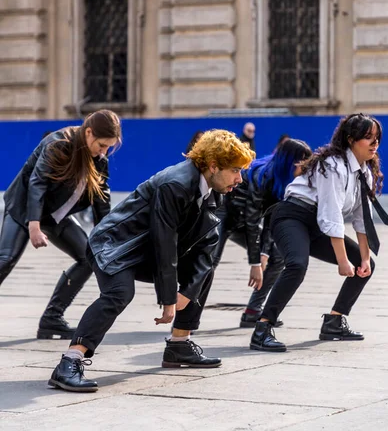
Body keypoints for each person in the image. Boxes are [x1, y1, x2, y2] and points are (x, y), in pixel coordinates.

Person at [49, 129, 255, 393]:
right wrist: (169, 298)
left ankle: (179, 345)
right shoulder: (176, 184)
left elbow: (206, 246)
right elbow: (163, 240)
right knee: (119, 293)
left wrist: (187, 292)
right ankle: (69, 362)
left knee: (203, 271)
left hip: (143, 249)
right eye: (235, 170)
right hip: (115, 246)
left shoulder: (216, 188)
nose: (239, 179)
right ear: (213, 166)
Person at [250, 113, 388, 353]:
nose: (374, 143)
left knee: (366, 266)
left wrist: (364, 258)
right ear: (350, 139)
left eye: (377, 138)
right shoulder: (332, 165)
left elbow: (362, 219)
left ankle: (334, 322)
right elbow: (331, 214)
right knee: (296, 264)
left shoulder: (364, 173)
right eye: (368, 138)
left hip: (316, 224)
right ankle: (262, 329)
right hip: (292, 216)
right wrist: (342, 260)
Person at [0, 110, 122, 340]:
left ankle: (52, 320)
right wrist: (33, 225)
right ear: (88, 133)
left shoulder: (99, 160)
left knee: (87, 258)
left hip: (56, 215)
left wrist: (106, 239)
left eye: (109, 147)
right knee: (5, 259)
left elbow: (101, 200)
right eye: (102, 145)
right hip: (24, 207)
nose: (104, 151)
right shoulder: (59, 144)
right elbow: (37, 183)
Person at [212, 139, 312, 328]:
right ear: (290, 161)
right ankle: (186, 317)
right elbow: (252, 219)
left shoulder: (282, 182)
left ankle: (253, 312)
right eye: (302, 164)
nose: (305, 170)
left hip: (244, 219)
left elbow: (270, 220)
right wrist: (256, 262)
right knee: (209, 262)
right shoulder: (262, 176)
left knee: (277, 256)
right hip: (224, 212)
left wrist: (265, 253)